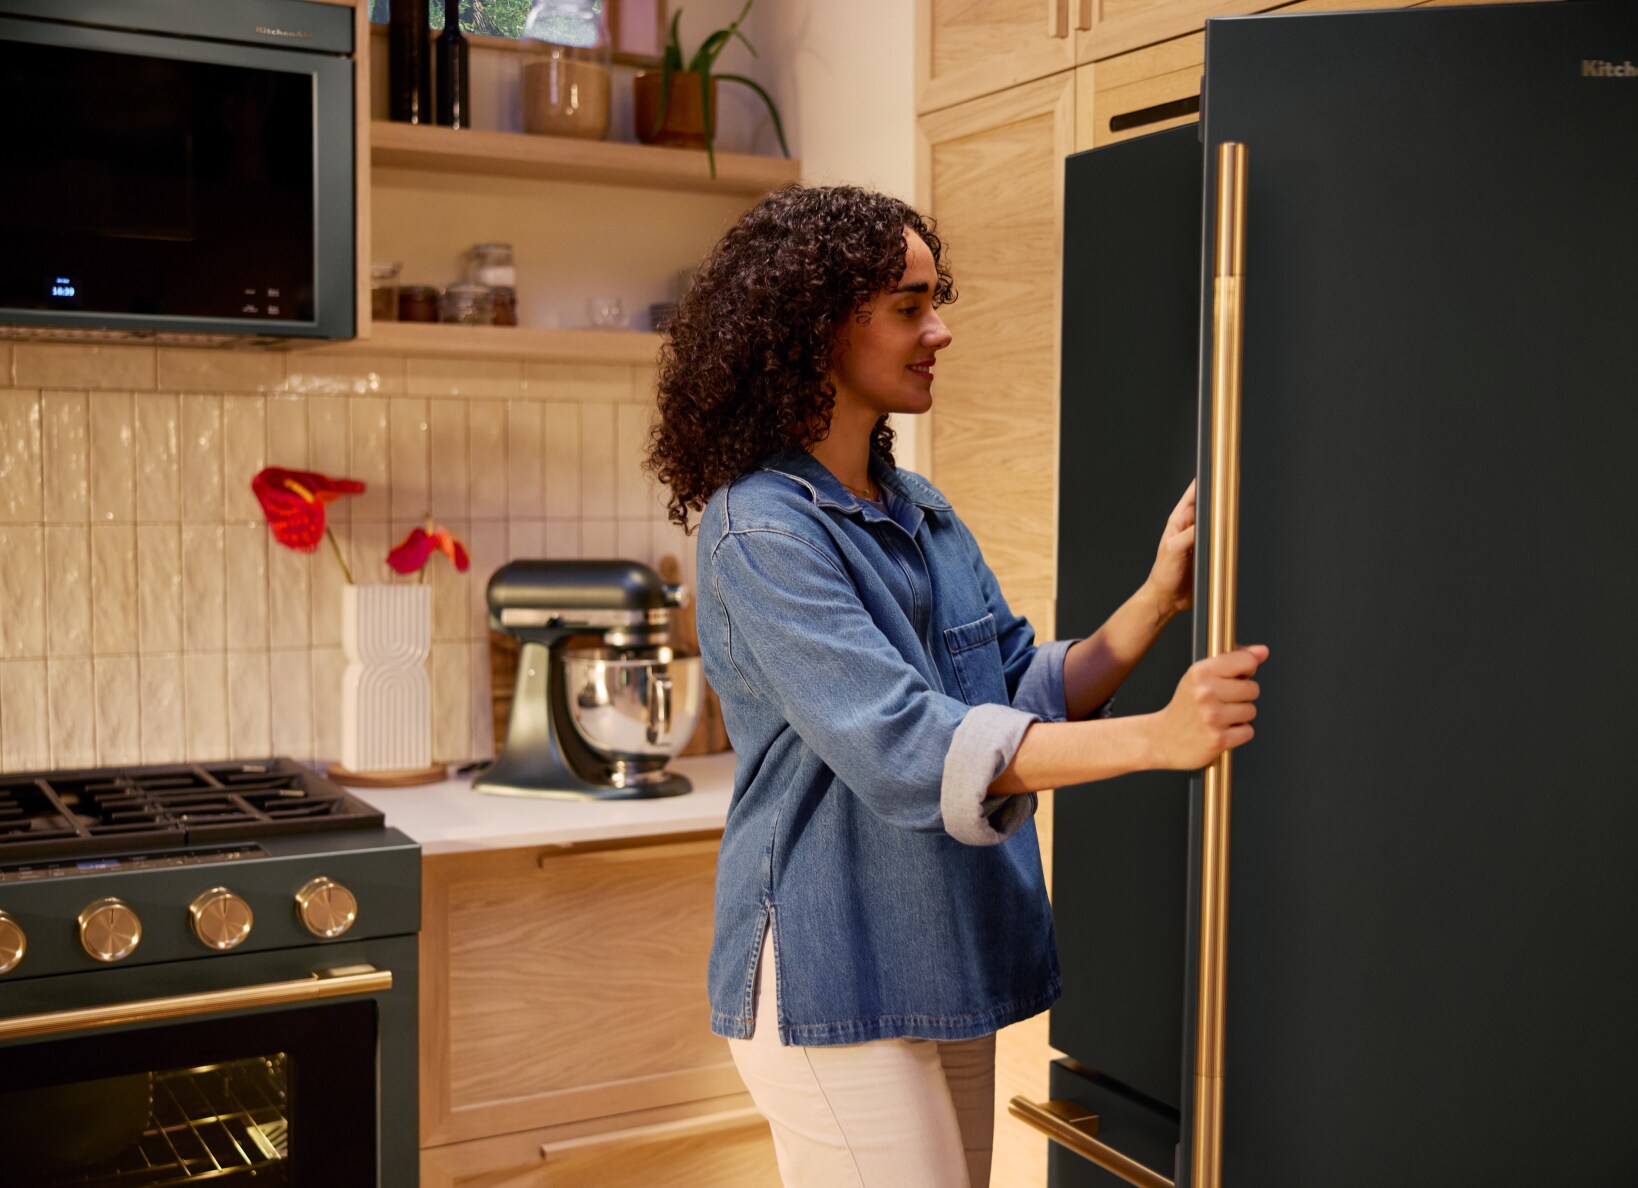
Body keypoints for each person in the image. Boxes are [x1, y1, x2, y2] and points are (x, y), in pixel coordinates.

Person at [644, 184, 1267, 1188]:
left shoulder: (917, 509)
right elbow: (909, 746)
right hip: (828, 972)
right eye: (906, 306)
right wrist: (1157, 738)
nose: (938, 331)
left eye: (938, 300)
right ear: (812, 328)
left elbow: (1017, 683)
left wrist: (1158, 597)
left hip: (938, 955)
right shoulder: (761, 531)